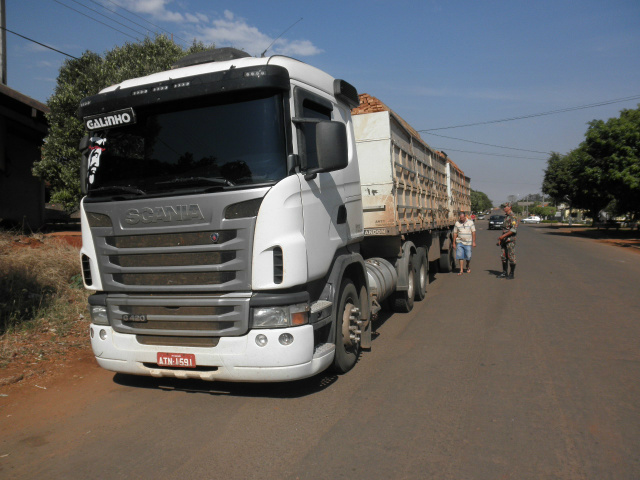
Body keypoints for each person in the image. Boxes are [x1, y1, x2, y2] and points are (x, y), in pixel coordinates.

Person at [497, 203, 518, 279]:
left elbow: (513, 230)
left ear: (510, 207)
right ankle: (504, 272)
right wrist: (501, 239)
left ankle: (511, 273)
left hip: (510, 240)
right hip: (504, 240)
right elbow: (504, 230)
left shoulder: (513, 217)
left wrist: (503, 236)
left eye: (505, 207)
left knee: (511, 257)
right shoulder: (506, 217)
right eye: (503, 207)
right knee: (503, 257)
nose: (504, 208)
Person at [452, 211, 476, 275]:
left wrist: (473, 242)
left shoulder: (470, 222)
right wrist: (454, 243)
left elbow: (473, 232)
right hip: (460, 242)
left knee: (468, 256)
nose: (461, 219)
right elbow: (455, 233)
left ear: (465, 217)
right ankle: (461, 270)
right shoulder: (457, 223)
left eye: (462, 218)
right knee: (460, 256)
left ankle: (467, 265)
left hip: (468, 243)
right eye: (460, 218)